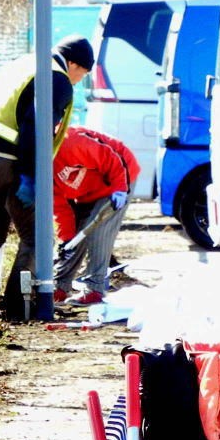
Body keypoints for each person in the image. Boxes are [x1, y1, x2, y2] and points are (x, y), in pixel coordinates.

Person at [0, 35, 93, 318]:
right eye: (83, 74)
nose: (79, 81)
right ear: (74, 64)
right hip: (11, 162)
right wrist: (29, 176)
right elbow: (34, 125)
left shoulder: (22, 64)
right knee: (36, 236)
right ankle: (16, 307)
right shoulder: (57, 78)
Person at [52, 126, 139, 306]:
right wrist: (67, 239)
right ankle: (59, 286)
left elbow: (113, 159)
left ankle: (94, 290)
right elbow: (61, 209)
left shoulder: (72, 142)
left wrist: (120, 188)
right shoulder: (41, 172)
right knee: (75, 238)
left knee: (99, 232)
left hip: (118, 178)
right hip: (87, 192)